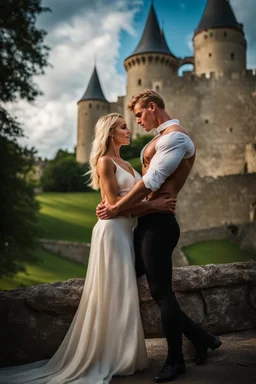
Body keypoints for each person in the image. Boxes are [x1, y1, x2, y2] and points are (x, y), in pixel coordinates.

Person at [0, 113, 176, 384]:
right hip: (111, 232)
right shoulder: (105, 162)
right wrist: (153, 206)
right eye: (123, 127)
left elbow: (129, 199)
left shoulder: (127, 164)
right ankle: (109, 355)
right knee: (112, 290)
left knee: (123, 290)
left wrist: (153, 199)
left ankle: (123, 354)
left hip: (124, 232)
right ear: (110, 133)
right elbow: (115, 203)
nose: (129, 130)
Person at [96, 91, 222, 383]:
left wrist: (115, 207)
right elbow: (134, 184)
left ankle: (176, 360)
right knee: (131, 277)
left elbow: (152, 181)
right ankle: (200, 337)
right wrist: (111, 200)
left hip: (160, 226)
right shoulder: (159, 138)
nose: (137, 121)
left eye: (139, 115)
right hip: (146, 222)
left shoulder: (176, 138)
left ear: (152, 107)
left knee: (161, 292)